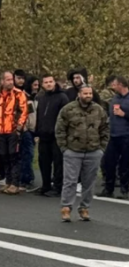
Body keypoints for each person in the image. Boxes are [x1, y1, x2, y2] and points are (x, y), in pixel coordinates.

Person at [56, 86, 109, 222]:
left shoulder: (98, 110)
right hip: (73, 151)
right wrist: (64, 148)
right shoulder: (68, 109)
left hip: (93, 151)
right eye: (85, 93)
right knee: (70, 181)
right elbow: (60, 129)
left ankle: (84, 208)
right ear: (79, 94)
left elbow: (105, 128)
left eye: (90, 93)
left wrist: (101, 149)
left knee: (89, 182)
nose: (88, 95)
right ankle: (66, 208)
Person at [0, 71, 28, 194]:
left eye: (11, 79)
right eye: (7, 80)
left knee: (14, 157)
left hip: (13, 131)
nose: (10, 82)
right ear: (2, 81)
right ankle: (8, 182)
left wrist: (19, 128)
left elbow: (24, 111)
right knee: (4, 157)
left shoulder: (19, 94)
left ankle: (15, 184)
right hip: (1, 131)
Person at [35, 75, 69, 197]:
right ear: (42, 84)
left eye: (51, 82)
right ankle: (46, 185)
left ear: (54, 83)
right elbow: (38, 116)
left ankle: (58, 187)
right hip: (43, 135)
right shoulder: (40, 98)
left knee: (58, 162)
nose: (49, 84)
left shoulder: (62, 97)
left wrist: (63, 133)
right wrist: (37, 132)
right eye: (46, 82)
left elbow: (66, 117)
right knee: (44, 162)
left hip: (57, 136)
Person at [99, 76, 129, 199]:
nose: (112, 86)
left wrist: (125, 114)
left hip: (126, 135)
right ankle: (108, 188)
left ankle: (125, 190)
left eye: (114, 84)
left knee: (125, 164)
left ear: (121, 84)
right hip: (113, 134)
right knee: (108, 162)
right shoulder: (115, 98)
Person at [19, 76, 39, 191]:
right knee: (28, 154)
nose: (36, 87)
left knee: (29, 155)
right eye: (34, 85)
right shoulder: (22, 97)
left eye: (37, 85)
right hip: (25, 130)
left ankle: (28, 177)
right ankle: (25, 179)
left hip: (34, 130)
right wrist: (24, 128)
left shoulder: (36, 98)